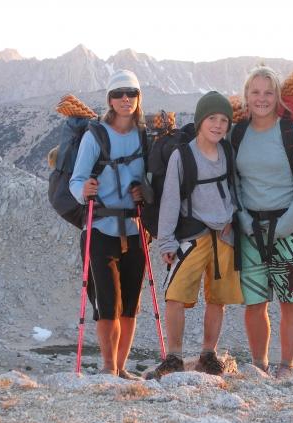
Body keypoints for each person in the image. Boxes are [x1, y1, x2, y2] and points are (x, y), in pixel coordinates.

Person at [146, 91, 243, 379]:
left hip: (224, 236)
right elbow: (171, 199)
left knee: (218, 298)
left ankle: (208, 355)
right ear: (200, 121)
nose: (218, 125)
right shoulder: (183, 155)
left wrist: (233, 216)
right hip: (192, 235)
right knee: (175, 296)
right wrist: (166, 240)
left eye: (224, 120)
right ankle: (174, 356)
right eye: (212, 118)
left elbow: (237, 188)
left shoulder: (227, 151)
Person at [233, 66, 293, 377]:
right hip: (249, 229)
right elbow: (234, 182)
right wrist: (241, 218)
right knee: (254, 301)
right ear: (246, 96)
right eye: (255, 92)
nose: (262, 99)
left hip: (289, 228)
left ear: (278, 96)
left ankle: (287, 365)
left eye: (268, 92)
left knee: (289, 299)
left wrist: (286, 226)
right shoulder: (237, 133)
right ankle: (259, 364)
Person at [69, 69, 146, 379]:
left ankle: (121, 367)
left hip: (136, 229)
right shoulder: (95, 136)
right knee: (107, 303)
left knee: (130, 305)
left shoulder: (144, 136)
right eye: (118, 94)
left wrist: (145, 191)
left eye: (131, 93)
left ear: (139, 98)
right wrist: (82, 190)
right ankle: (107, 367)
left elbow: (152, 177)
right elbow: (76, 180)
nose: (124, 99)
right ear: (110, 100)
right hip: (100, 229)